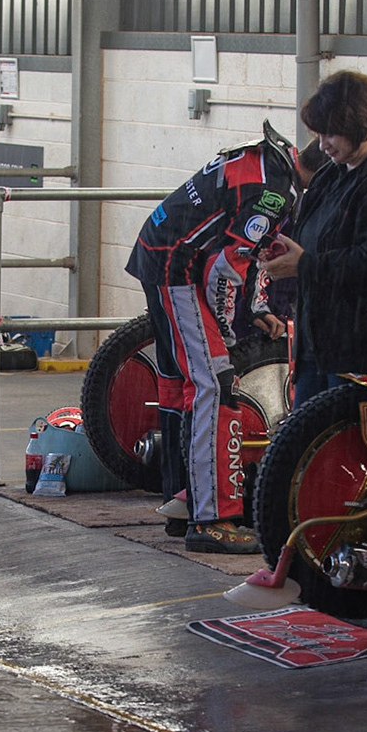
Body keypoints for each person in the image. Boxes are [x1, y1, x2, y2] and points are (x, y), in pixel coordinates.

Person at [126, 123, 302, 554]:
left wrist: (257, 306)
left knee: (181, 383)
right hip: (175, 268)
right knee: (215, 381)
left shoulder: (269, 159)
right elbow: (226, 267)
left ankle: (182, 502)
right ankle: (212, 521)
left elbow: (251, 248)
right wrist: (224, 334)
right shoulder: (277, 190)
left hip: (160, 253)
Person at [258, 71, 367, 407]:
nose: (322, 145)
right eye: (319, 134)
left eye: (330, 134)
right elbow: (309, 240)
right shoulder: (330, 175)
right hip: (318, 348)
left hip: (364, 354)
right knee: (306, 450)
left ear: (359, 126)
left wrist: (305, 265)